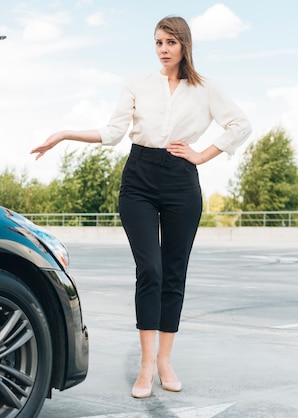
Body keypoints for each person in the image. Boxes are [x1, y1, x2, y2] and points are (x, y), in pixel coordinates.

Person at [30, 15, 251, 399]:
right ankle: (146, 365)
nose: (163, 50)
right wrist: (65, 134)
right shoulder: (137, 85)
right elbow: (114, 133)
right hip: (139, 179)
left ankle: (166, 360)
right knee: (150, 268)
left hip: (182, 179)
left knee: (174, 272)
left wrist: (201, 155)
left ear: (184, 45)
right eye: (158, 43)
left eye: (169, 43)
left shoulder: (205, 89)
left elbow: (240, 125)